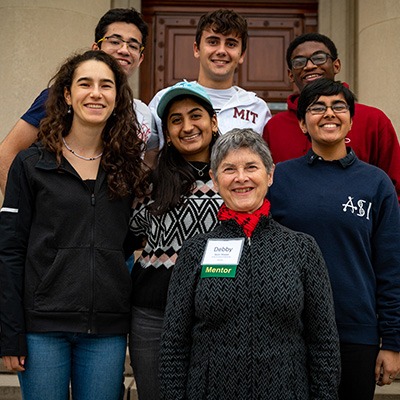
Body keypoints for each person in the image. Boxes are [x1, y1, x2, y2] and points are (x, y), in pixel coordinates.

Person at [0, 50, 148, 400]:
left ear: (117, 97)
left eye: (106, 85)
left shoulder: (128, 170)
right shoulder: (31, 163)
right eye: (85, 84)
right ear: (67, 95)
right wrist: (9, 334)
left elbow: (128, 242)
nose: (95, 93)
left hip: (107, 330)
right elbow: (9, 250)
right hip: (42, 329)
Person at [159, 128, 341, 399]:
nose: (241, 178)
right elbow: (174, 343)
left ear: (269, 175)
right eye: (229, 169)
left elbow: (323, 341)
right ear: (215, 179)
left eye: (251, 167)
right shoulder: (196, 249)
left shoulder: (302, 248)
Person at [268, 78, 400, 400]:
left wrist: (394, 342)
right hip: (288, 332)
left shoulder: (376, 183)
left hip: (355, 332)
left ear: (351, 120)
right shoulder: (278, 178)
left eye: (338, 106)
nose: (329, 113)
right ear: (302, 122)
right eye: (317, 108)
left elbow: (391, 266)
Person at [129, 81, 223, 399]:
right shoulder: (150, 183)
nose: (187, 126)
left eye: (195, 115)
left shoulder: (236, 179)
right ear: (167, 133)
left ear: (213, 122)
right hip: (153, 315)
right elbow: (126, 236)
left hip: (218, 316)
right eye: (176, 120)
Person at [0, 7, 156, 195]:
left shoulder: (143, 112)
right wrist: (22, 208)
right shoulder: (61, 98)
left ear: (140, 58)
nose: (124, 50)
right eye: (115, 41)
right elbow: (7, 153)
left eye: (133, 45)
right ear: (96, 49)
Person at [262, 32, 400, 202]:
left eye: (319, 58)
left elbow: (395, 187)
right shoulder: (275, 127)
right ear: (291, 74)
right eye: (299, 62)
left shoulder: (373, 120)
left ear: (336, 65)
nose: (310, 66)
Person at [149, 9, 271, 149]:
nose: (221, 51)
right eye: (213, 42)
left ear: (242, 54)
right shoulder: (164, 99)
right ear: (196, 49)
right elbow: (148, 156)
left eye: (231, 44)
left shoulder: (257, 107)